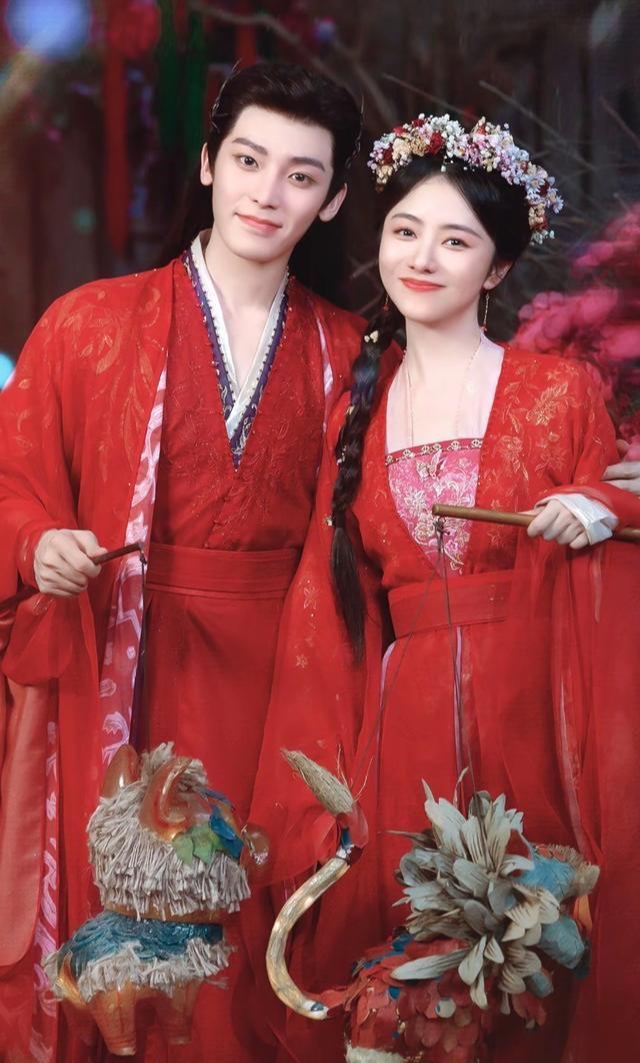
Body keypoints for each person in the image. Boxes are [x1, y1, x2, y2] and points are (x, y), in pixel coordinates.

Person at [250, 115, 640, 1063]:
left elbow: (617, 527)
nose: (422, 258)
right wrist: (327, 778)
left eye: (456, 241)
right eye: (405, 231)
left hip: (535, 712)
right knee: (416, 983)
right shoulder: (359, 408)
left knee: (539, 964)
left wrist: (597, 506)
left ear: (497, 269)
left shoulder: (557, 392)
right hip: (408, 727)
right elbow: (326, 611)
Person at [0, 62, 367, 1063]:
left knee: (256, 921)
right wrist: (38, 541)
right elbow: (13, 475)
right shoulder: (88, 324)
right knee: (130, 933)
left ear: (334, 199)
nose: (267, 193)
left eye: (301, 175)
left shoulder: (350, 350)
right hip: (130, 656)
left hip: (286, 677)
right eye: (248, 160)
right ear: (208, 164)